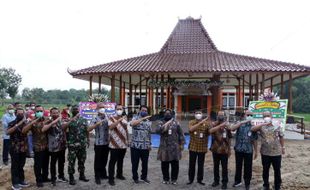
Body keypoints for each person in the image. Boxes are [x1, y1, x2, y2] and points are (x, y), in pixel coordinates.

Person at [251, 111, 285, 190]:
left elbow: (281, 137)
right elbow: (252, 129)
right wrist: (263, 124)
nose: (267, 117)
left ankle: (277, 186)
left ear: (271, 116)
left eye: (268, 115)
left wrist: (283, 147)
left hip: (276, 152)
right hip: (265, 152)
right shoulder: (261, 126)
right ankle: (266, 185)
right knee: (265, 170)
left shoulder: (277, 126)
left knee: (277, 170)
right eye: (265, 116)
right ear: (263, 117)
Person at [22, 105, 50, 187]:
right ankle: (39, 180)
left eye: (41, 111)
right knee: (38, 164)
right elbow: (24, 131)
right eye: (37, 111)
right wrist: (33, 122)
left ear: (43, 111)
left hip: (46, 146)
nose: (39, 112)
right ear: (34, 112)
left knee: (45, 163)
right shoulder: (31, 121)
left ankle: (45, 177)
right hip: (37, 146)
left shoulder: (47, 119)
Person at [230, 110, 258, 190]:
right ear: (244, 115)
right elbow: (232, 128)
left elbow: (255, 140)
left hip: (248, 150)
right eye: (248, 114)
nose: (249, 116)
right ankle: (238, 181)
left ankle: (247, 183)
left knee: (248, 167)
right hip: (238, 149)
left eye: (251, 115)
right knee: (238, 166)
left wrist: (256, 151)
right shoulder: (239, 123)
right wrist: (243, 122)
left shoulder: (253, 126)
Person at [156, 109, 185, 185]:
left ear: (172, 114)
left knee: (175, 164)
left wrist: (182, 144)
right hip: (164, 147)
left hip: (174, 147)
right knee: (164, 164)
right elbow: (158, 131)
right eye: (166, 113)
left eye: (169, 113)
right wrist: (167, 123)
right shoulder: (160, 122)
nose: (167, 114)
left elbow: (181, 133)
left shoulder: (176, 123)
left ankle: (174, 179)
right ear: (164, 114)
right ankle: (165, 179)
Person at [42, 107, 68, 186]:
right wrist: (54, 121)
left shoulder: (62, 121)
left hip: (62, 145)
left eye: (57, 113)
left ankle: (61, 176)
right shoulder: (48, 121)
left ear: (59, 113)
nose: (55, 114)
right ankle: (53, 178)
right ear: (51, 113)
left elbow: (64, 130)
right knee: (53, 163)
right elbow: (43, 129)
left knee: (61, 162)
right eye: (53, 113)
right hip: (53, 147)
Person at [7, 108, 30, 190]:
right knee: (15, 166)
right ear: (15, 114)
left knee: (21, 165)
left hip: (23, 148)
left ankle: (21, 180)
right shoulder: (12, 123)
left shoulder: (26, 123)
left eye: (22, 113)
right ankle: (15, 183)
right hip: (14, 148)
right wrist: (19, 123)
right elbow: (8, 132)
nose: (20, 115)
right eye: (18, 113)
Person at [66, 105, 90, 185]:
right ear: (72, 111)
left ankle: (82, 175)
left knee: (82, 160)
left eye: (77, 109)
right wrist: (72, 119)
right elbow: (64, 129)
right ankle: (71, 177)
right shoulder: (68, 119)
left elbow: (87, 130)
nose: (76, 110)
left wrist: (88, 139)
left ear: (79, 110)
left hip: (82, 144)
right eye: (74, 109)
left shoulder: (84, 120)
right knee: (71, 161)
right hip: (72, 145)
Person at [88, 102, 110, 185]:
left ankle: (103, 174)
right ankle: (97, 176)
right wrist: (96, 124)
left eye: (103, 107)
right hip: (98, 143)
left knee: (105, 159)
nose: (102, 109)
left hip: (106, 142)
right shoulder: (95, 118)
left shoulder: (107, 117)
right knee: (98, 160)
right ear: (97, 109)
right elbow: (89, 129)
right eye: (101, 107)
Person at [209, 111, 232, 189]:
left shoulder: (227, 125)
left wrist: (229, 149)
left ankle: (224, 182)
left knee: (224, 167)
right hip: (215, 149)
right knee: (216, 166)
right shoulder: (213, 123)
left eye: (222, 115)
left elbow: (230, 137)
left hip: (224, 150)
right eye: (219, 115)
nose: (220, 116)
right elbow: (210, 131)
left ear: (224, 116)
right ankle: (216, 181)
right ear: (217, 116)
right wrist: (220, 125)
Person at [187, 109, 210, 186]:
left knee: (201, 165)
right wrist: (200, 122)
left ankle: (200, 180)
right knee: (191, 165)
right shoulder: (191, 122)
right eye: (197, 113)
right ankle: (191, 179)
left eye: (199, 113)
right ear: (194, 114)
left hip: (202, 147)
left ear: (202, 114)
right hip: (193, 147)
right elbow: (191, 129)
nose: (198, 114)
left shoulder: (206, 124)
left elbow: (209, 133)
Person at [130, 105, 152, 184]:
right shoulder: (135, 117)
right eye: (143, 110)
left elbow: (149, 133)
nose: (144, 112)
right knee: (135, 163)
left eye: (146, 111)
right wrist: (142, 119)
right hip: (135, 146)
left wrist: (150, 144)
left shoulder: (149, 121)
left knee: (145, 163)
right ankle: (135, 178)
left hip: (145, 146)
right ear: (139, 110)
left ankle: (144, 177)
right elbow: (132, 124)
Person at [107, 104, 129, 186]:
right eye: (118, 109)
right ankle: (111, 179)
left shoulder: (125, 118)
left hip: (123, 144)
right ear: (115, 109)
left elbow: (126, 129)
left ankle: (119, 174)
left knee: (121, 160)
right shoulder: (111, 118)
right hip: (114, 144)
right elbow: (111, 127)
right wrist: (119, 120)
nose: (119, 110)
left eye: (121, 109)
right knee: (112, 161)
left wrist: (128, 139)